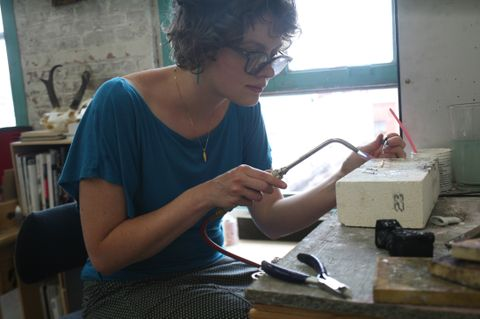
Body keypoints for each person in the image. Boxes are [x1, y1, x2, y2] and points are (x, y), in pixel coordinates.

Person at [59, 0, 406, 318]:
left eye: (274, 55)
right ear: (204, 43)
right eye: (253, 53)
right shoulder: (119, 104)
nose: (268, 71)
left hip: (213, 271)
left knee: (313, 304)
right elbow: (105, 254)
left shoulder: (241, 104)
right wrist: (204, 195)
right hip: (124, 290)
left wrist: (342, 180)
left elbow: (271, 218)